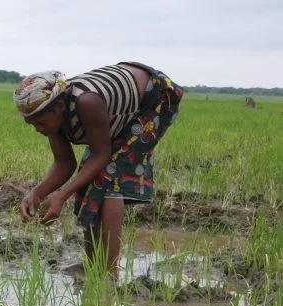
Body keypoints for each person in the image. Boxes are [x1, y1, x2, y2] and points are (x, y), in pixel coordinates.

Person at [14, 62, 183, 275]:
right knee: (88, 174)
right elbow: (64, 163)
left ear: (58, 107)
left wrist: (62, 195)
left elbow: (102, 155)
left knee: (109, 176)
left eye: (39, 123)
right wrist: (36, 193)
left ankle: (108, 271)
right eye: (32, 125)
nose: (38, 130)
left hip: (153, 99)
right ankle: (93, 264)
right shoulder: (54, 117)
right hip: (119, 105)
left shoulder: (87, 102)